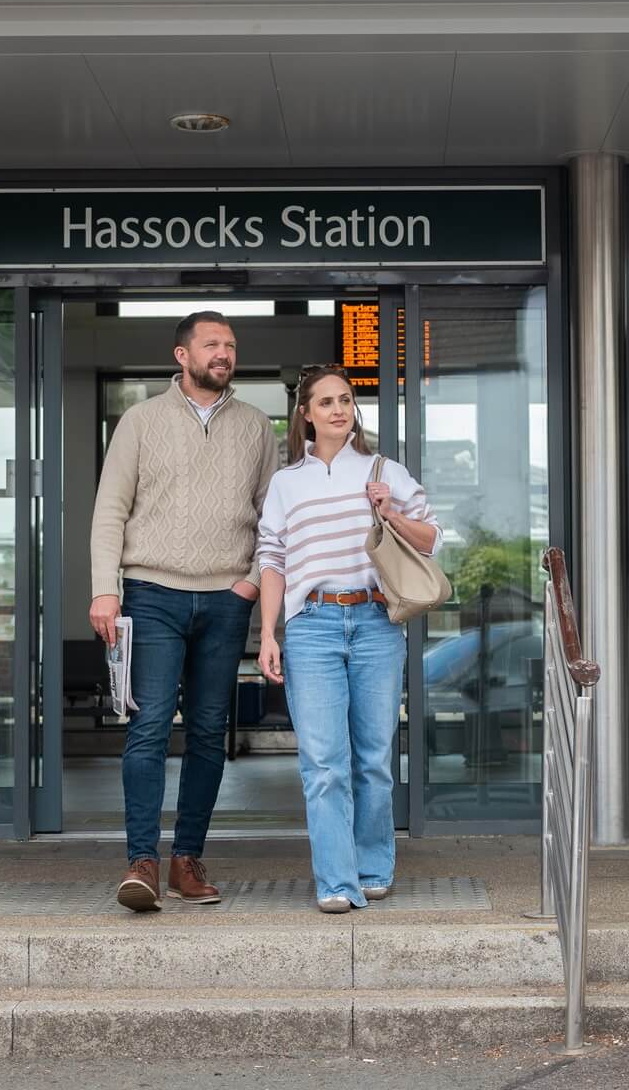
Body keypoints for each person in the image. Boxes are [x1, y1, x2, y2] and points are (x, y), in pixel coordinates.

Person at [90, 310, 280, 912]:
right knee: (147, 728)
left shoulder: (256, 427)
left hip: (227, 600)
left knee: (206, 733)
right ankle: (141, 861)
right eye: (212, 344)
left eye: (230, 344)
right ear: (182, 355)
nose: (224, 353)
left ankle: (186, 859)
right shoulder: (140, 421)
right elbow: (109, 511)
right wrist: (104, 588)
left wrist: (250, 584)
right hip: (151, 594)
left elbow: (273, 518)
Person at [255, 365, 440, 913]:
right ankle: (336, 881)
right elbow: (272, 558)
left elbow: (431, 540)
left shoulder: (385, 471)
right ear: (306, 414)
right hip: (310, 626)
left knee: (374, 759)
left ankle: (373, 866)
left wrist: (388, 511)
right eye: (326, 402)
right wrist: (269, 632)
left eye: (346, 399)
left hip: (375, 624)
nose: (339, 409)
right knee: (323, 760)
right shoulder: (287, 483)